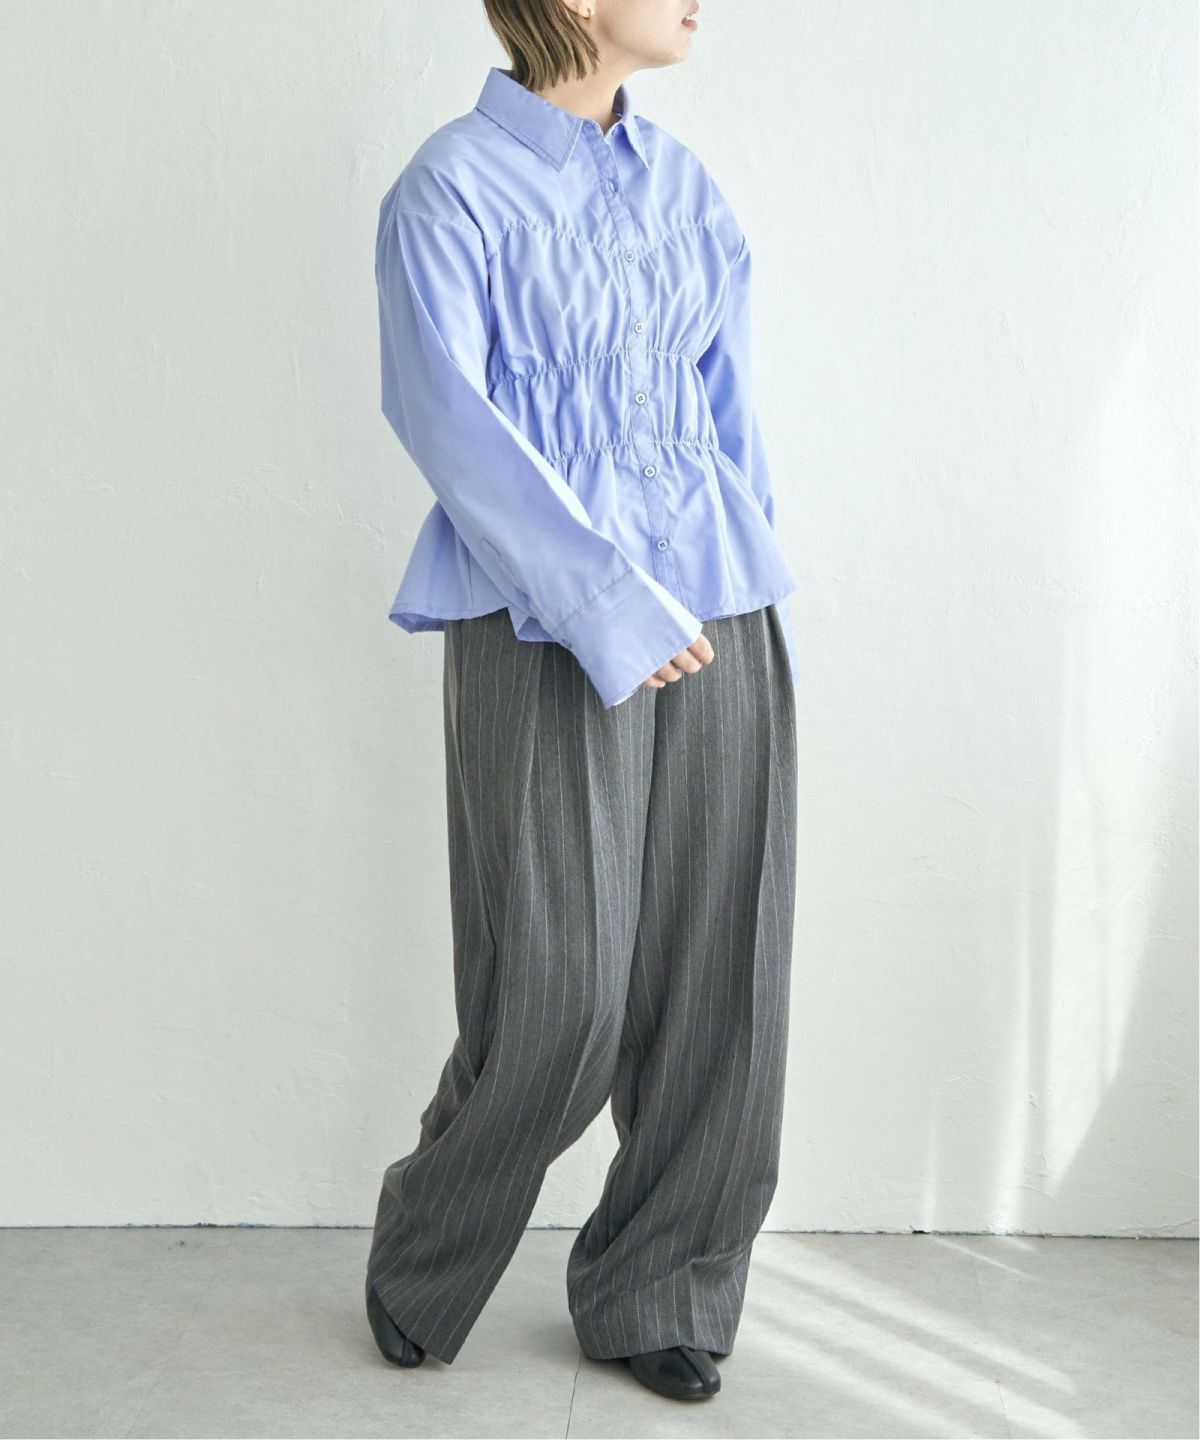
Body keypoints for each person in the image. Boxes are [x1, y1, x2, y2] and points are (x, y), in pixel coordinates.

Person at [363, 0, 800, 1404]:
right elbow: (447, 419)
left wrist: (742, 577)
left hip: (720, 607)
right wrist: (606, 598)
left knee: (719, 978)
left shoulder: (685, 187)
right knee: (558, 985)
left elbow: (727, 408)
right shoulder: (449, 188)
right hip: (541, 615)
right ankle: (430, 1253)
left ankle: (660, 1285)